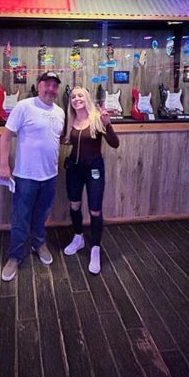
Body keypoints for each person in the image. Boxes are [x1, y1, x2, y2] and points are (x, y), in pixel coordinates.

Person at [0, 71, 65, 281]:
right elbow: (6, 136)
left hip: (50, 176)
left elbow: (56, 139)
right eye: (47, 84)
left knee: (41, 215)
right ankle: (15, 256)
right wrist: (4, 165)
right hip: (26, 176)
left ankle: (39, 244)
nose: (51, 89)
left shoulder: (60, 112)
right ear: (39, 85)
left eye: (55, 85)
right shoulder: (24, 106)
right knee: (21, 217)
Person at [62, 86, 119, 274]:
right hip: (74, 169)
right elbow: (63, 139)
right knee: (74, 205)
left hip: (94, 169)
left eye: (80, 96)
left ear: (86, 98)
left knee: (95, 210)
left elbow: (115, 143)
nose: (76, 99)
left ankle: (95, 248)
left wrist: (108, 124)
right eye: (73, 97)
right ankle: (78, 237)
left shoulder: (97, 118)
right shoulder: (70, 120)